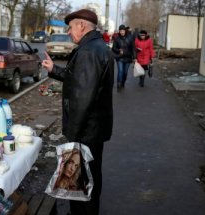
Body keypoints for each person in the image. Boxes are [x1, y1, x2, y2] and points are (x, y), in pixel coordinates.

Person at [42, 9, 114, 215]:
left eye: (71, 27)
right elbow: (80, 81)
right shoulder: (95, 48)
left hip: (86, 131)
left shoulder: (89, 52)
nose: (69, 31)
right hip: (93, 128)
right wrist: (53, 69)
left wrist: (72, 136)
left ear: (81, 26)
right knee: (88, 178)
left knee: (83, 182)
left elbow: (83, 97)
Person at [112, 24, 135, 91]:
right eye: (120, 31)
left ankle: (123, 83)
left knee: (125, 72)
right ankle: (119, 85)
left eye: (123, 30)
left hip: (128, 57)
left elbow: (133, 48)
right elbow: (114, 48)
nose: (122, 32)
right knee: (120, 71)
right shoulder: (117, 38)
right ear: (119, 31)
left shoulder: (130, 38)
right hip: (120, 57)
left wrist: (135, 57)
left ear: (125, 30)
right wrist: (118, 50)